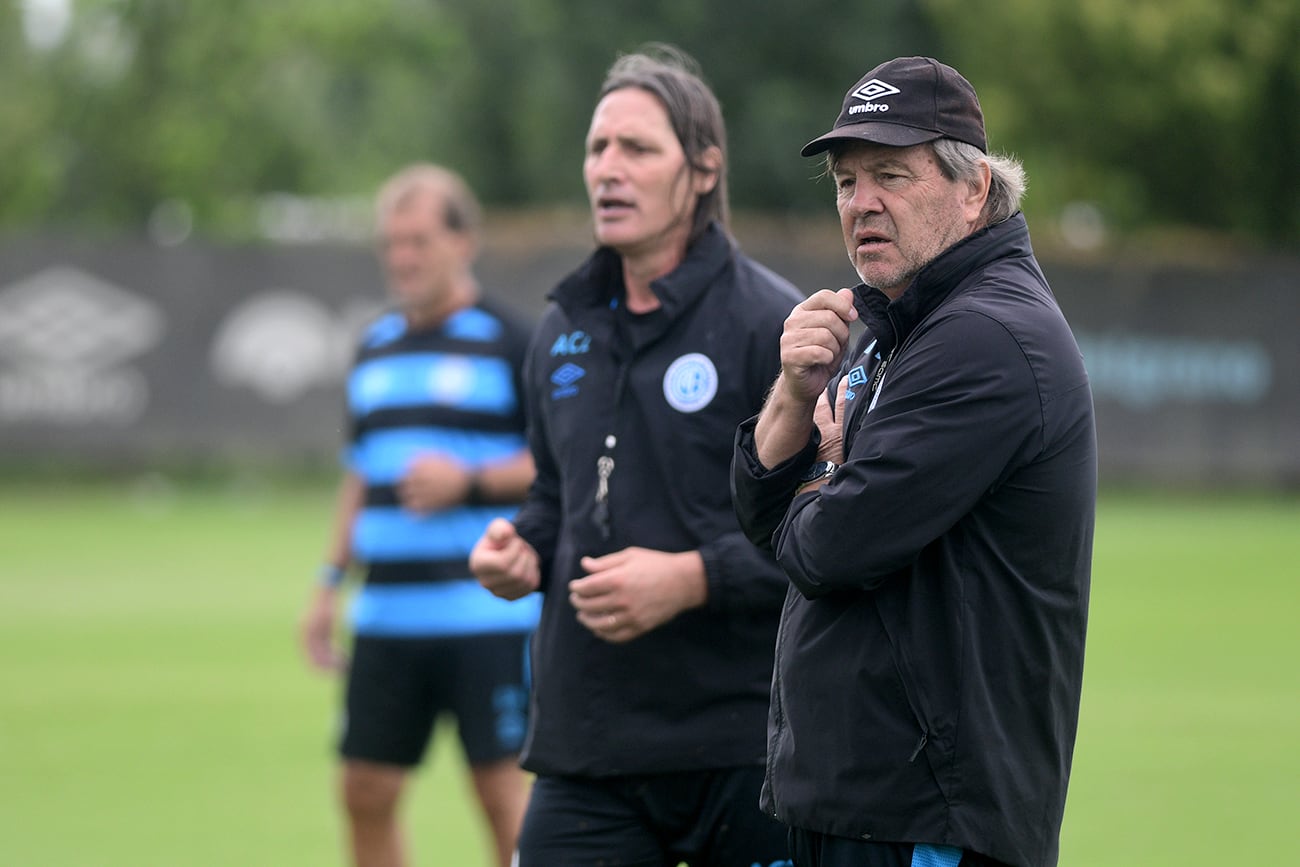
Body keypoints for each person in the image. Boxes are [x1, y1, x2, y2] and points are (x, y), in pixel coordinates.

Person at [731, 57, 1096, 867]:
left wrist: (826, 466)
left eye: (891, 174)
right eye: (845, 180)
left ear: (974, 190)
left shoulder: (985, 337)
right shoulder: (898, 325)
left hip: (927, 818)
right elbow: (764, 519)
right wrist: (793, 396)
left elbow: (828, 548)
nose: (862, 202)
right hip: (862, 803)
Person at [467, 45, 802, 867]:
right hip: (590, 748)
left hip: (747, 747)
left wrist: (694, 577)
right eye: (597, 147)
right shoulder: (561, 329)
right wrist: (523, 546)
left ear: (702, 169)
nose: (608, 169)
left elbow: (828, 535)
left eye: (638, 149)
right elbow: (556, 495)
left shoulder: (774, 325)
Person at [298, 163, 539, 867]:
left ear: (463, 241)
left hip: (488, 619)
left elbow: (556, 463)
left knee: (505, 797)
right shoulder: (374, 346)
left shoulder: (509, 340)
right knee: (363, 789)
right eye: (391, 244)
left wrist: (467, 481)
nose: (402, 258)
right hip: (386, 618)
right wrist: (326, 581)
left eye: (418, 241)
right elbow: (360, 473)